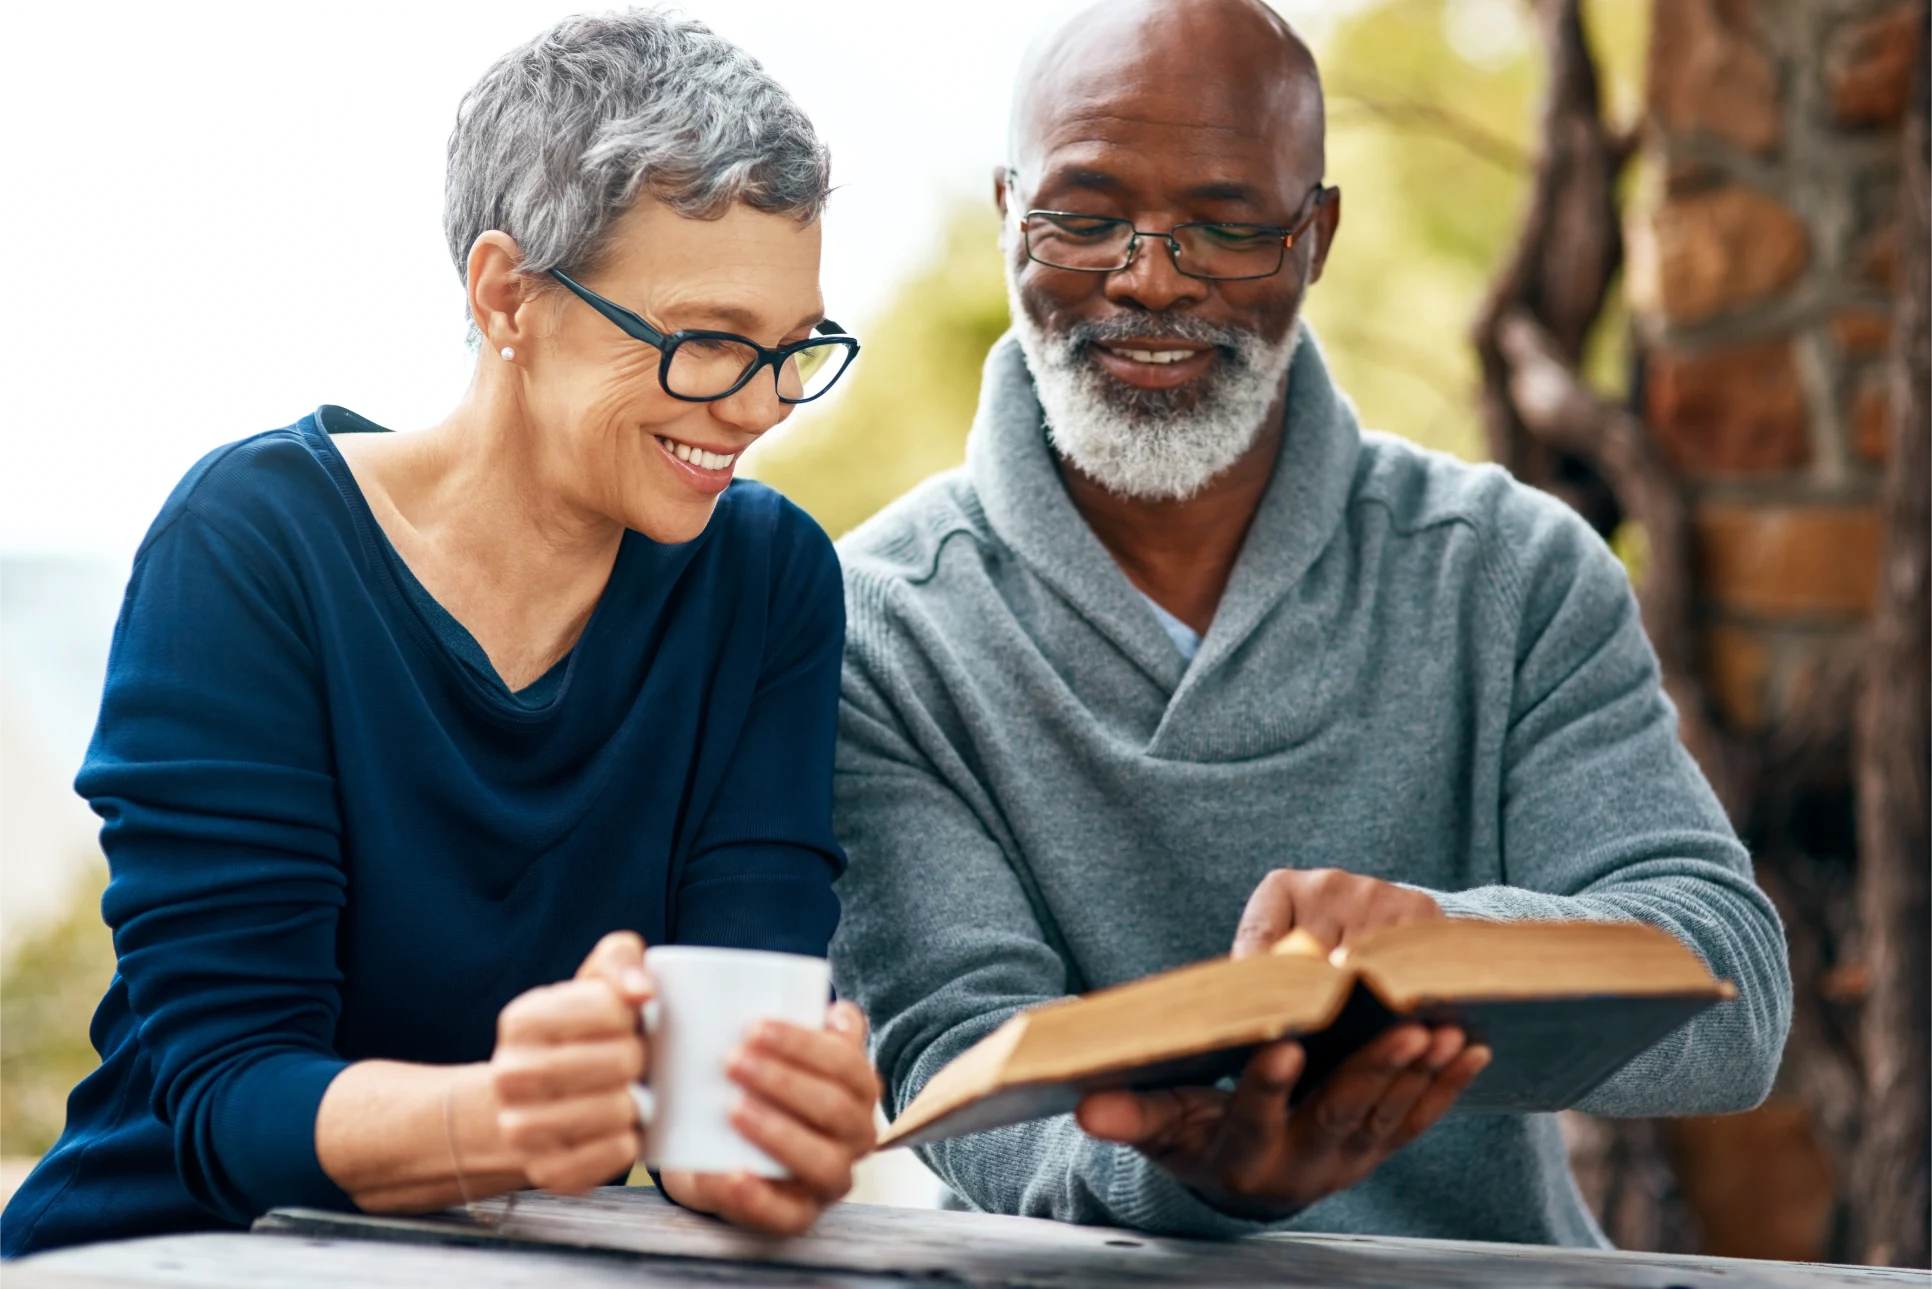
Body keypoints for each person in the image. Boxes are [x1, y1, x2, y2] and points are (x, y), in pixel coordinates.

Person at [828, 0, 1791, 1246]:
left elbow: (1735, 998)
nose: (1151, 277)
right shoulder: (878, 623)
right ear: (1010, 209)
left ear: (1318, 235)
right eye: (1086, 213)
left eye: (1228, 224)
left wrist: (1441, 954)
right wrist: (1180, 1174)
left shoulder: (1511, 570)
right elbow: (955, 1060)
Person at [0, 11, 880, 1256]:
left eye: (794, 351)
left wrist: (768, 1131)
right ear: (507, 293)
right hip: (163, 1248)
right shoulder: (254, 545)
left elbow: (713, 1107)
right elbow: (225, 1094)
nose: (756, 408)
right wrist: (502, 1114)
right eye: (706, 344)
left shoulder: (771, 580)